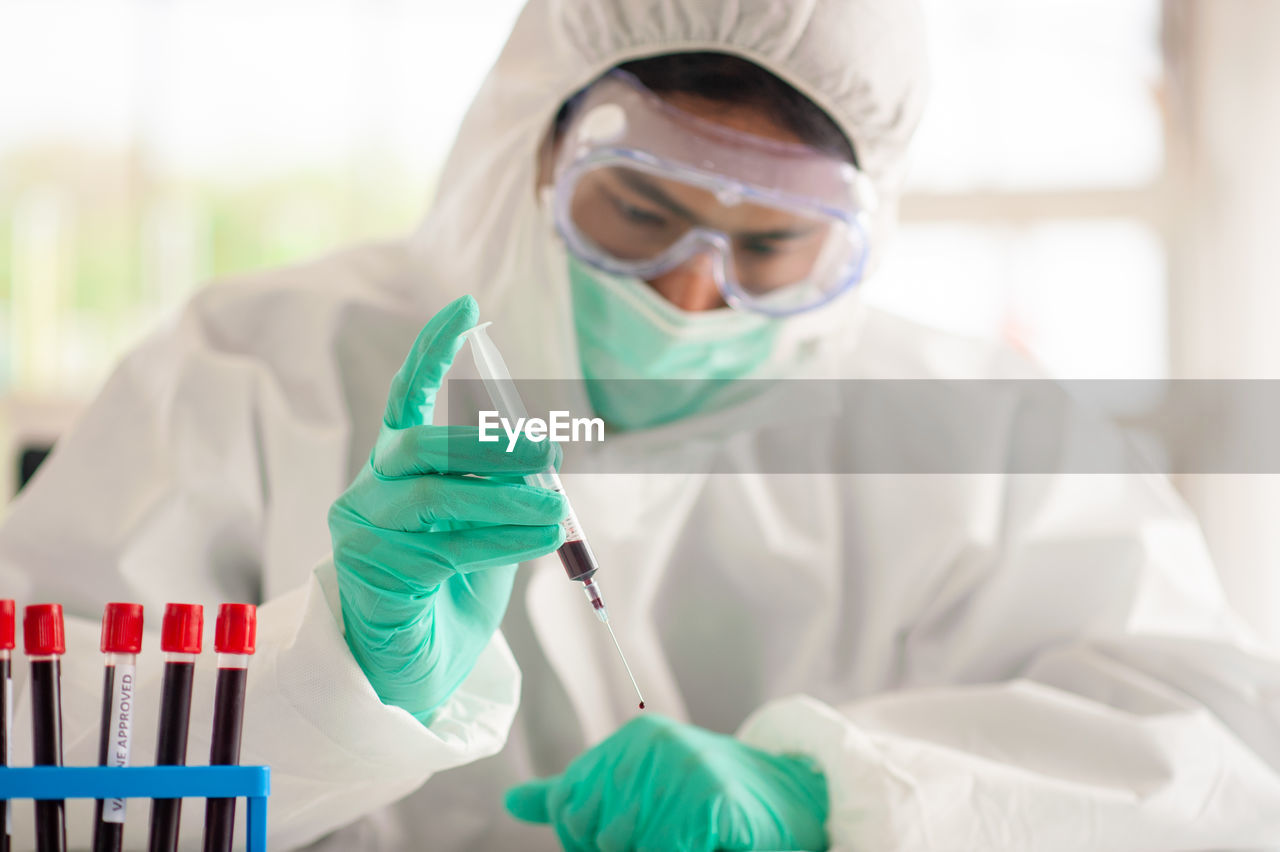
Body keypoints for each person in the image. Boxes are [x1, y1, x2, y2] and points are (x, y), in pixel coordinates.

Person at [3, 0, 1280, 849]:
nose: (686, 292)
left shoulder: (987, 447)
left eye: (769, 245)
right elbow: (34, 776)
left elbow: (1218, 770)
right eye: (635, 211)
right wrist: (329, 673)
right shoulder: (255, 369)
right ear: (531, 159)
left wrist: (827, 800)